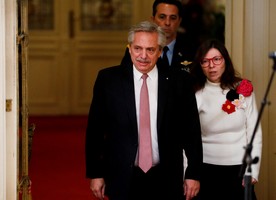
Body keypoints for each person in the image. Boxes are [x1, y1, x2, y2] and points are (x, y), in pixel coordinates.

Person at [85, 21, 202, 200]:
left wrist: (193, 173)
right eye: (138, 48)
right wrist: (96, 173)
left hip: (166, 176)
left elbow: (191, 131)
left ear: (160, 51)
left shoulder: (180, 81)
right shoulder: (108, 80)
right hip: (122, 175)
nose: (143, 56)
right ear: (129, 48)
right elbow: (95, 130)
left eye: (150, 49)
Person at [190, 39, 262, 200]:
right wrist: (188, 173)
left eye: (216, 59)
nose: (211, 65)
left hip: (240, 169)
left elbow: (254, 133)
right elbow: (187, 140)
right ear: (200, 65)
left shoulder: (242, 88)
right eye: (205, 61)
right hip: (205, 170)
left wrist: (253, 170)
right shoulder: (195, 93)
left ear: (225, 60)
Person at [121, 0, 196, 72]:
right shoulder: (136, 49)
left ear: (179, 21)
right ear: (153, 19)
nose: (167, 23)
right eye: (162, 17)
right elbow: (125, 78)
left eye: (173, 18)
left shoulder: (192, 49)